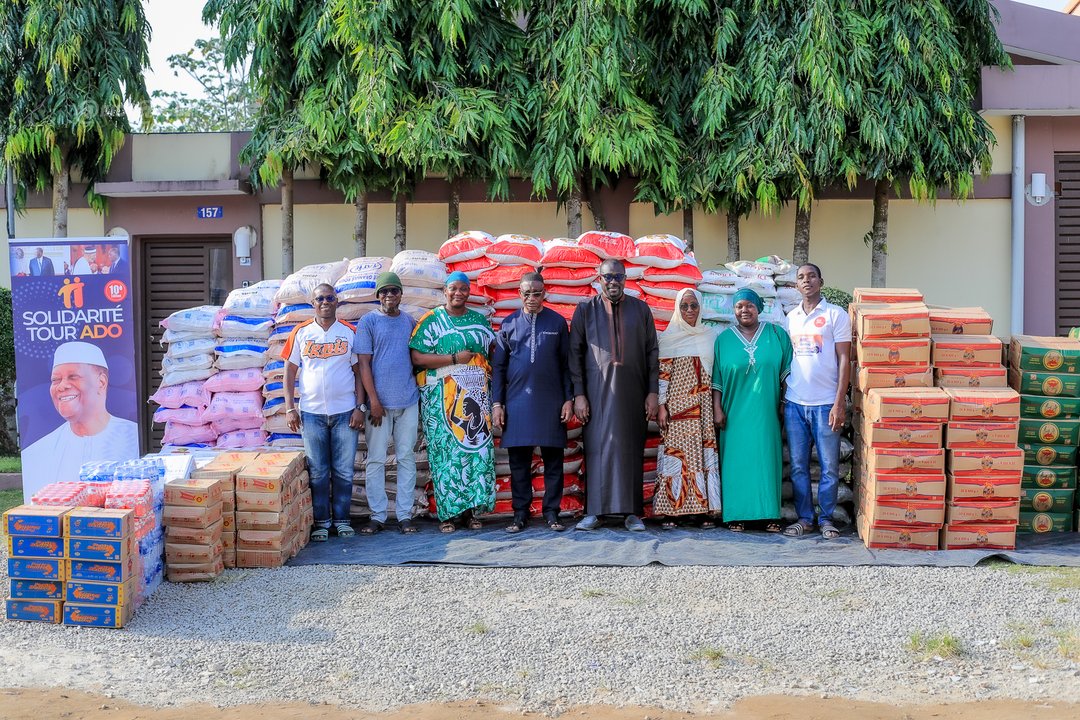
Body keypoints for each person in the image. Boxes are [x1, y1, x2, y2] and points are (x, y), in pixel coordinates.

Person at [569, 258, 659, 532]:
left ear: (626, 279)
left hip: (634, 392)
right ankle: (594, 512)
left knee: (631, 448)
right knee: (597, 448)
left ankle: (632, 513)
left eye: (618, 277)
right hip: (596, 394)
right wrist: (579, 394)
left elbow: (652, 352)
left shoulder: (641, 310)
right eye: (608, 277)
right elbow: (574, 354)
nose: (613, 282)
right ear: (599, 278)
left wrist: (653, 392)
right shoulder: (585, 310)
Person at [409, 271, 497, 533]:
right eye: (453, 289)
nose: (458, 293)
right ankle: (447, 514)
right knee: (445, 455)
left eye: (463, 289)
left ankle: (472, 512)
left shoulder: (480, 322)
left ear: (469, 292)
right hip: (441, 399)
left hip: (475, 398)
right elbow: (417, 358)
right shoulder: (431, 321)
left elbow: (490, 356)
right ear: (444, 292)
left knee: (475, 453)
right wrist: (454, 359)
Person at [491, 272, 574, 533]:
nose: (532, 298)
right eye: (526, 293)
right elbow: (499, 368)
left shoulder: (558, 323)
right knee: (519, 463)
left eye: (537, 293)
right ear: (519, 294)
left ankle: (552, 513)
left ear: (545, 293)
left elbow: (566, 367)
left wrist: (568, 399)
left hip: (551, 402)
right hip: (516, 403)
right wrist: (497, 404)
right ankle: (520, 514)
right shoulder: (508, 324)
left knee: (553, 462)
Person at [282, 283, 365, 542]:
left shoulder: (350, 332)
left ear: (337, 302)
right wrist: (289, 408)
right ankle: (321, 522)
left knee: (343, 470)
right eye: (320, 298)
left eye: (330, 298)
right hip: (311, 413)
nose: (325, 302)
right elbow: (289, 371)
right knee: (317, 471)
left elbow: (359, 372)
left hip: (344, 413)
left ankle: (341, 520)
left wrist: (359, 407)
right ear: (313, 303)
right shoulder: (302, 332)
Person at [711, 288, 792, 532]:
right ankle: (736, 514)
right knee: (736, 461)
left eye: (749, 305)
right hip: (733, 413)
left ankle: (769, 514)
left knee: (766, 459)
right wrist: (717, 409)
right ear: (733, 311)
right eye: (739, 306)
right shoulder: (723, 339)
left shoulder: (777, 335)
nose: (744, 310)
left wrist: (783, 404)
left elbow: (787, 374)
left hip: (766, 412)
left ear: (759, 308)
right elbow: (717, 380)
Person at [782, 263, 851, 540]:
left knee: (829, 467)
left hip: (825, 405)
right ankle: (805, 519)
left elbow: (845, 359)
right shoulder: (791, 317)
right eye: (801, 277)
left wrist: (839, 402)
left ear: (821, 281)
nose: (806, 281)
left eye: (811, 276)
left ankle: (826, 518)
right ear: (796, 286)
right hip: (795, 404)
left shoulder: (836, 315)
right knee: (798, 466)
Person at [21, 342, 140, 491]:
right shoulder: (37, 452)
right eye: (55, 380)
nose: (62, 386)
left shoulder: (135, 439)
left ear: (101, 382)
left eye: (73, 377)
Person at [354, 271, 420, 535]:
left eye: (394, 291)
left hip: (408, 401)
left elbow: (416, 359)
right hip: (377, 406)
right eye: (384, 291)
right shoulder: (368, 322)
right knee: (377, 460)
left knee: (406, 458)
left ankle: (405, 515)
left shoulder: (409, 321)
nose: (389, 296)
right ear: (377, 296)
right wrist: (373, 401)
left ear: (401, 294)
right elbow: (363, 364)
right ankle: (377, 516)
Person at [654, 288, 721, 528]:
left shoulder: (710, 336)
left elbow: (715, 376)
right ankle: (673, 511)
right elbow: (663, 376)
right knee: (677, 458)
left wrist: (715, 407)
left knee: (702, 456)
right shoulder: (668, 337)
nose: (690, 310)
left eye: (694, 306)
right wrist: (662, 406)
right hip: (677, 407)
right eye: (684, 306)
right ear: (677, 309)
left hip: (702, 407)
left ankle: (702, 511)